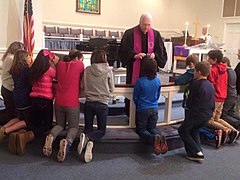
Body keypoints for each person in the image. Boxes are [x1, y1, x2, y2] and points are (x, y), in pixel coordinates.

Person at [43, 50, 84, 162]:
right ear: (77, 59)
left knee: (59, 125)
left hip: (59, 101)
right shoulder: (79, 65)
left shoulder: (59, 65)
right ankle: (67, 142)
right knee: (73, 127)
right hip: (72, 103)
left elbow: (54, 57)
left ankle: (51, 136)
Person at [77, 49, 114, 163]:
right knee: (101, 130)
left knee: (88, 128)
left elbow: (82, 86)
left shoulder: (87, 70)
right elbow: (112, 88)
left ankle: (87, 139)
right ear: (104, 58)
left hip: (89, 102)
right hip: (102, 103)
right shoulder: (108, 71)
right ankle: (89, 139)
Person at [178, 61, 215, 162]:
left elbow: (190, 100)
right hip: (207, 114)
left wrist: (188, 109)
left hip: (196, 113)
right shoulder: (210, 85)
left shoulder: (196, 84)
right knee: (194, 130)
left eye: (194, 71)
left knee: (182, 130)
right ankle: (197, 152)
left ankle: (197, 151)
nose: (193, 73)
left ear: (198, 72)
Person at [0, 50, 34, 155]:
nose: (29, 58)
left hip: (16, 95)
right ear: (24, 58)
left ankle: (3, 128)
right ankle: (6, 131)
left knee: (19, 116)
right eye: (28, 57)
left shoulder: (14, 69)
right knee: (28, 120)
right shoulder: (26, 70)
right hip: (24, 97)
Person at [119, 12, 167, 85]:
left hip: (150, 68)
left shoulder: (155, 34)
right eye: (144, 24)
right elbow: (123, 50)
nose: (146, 27)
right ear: (139, 22)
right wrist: (134, 56)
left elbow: (161, 51)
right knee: (133, 92)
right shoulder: (130, 33)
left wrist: (155, 55)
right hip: (134, 67)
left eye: (149, 25)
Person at [133, 56, 168, 155]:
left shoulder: (140, 81)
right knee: (152, 128)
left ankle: (153, 139)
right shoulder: (157, 81)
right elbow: (157, 95)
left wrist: (139, 105)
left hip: (143, 108)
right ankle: (159, 136)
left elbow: (136, 97)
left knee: (142, 130)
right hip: (154, 108)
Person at [207, 50, 239, 144]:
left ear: (214, 60)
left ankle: (227, 130)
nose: (208, 60)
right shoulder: (225, 69)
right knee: (218, 118)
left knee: (210, 120)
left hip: (216, 97)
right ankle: (235, 131)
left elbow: (211, 84)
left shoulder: (213, 70)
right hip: (223, 96)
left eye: (209, 58)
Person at [28, 49, 59, 138]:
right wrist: (55, 63)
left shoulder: (33, 69)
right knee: (47, 124)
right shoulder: (49, 70)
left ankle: (25, 136)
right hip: (46, 99)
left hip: (34, 98)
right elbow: (57, 76)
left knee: (36, 122)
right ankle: (27, 137)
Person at [0, 42, 24, 125]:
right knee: (12, 113)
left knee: (10, 111)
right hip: (9, 88)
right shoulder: (12, 59)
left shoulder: (8, 56)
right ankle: (8, 129)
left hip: (5, 87)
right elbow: (19, 71)